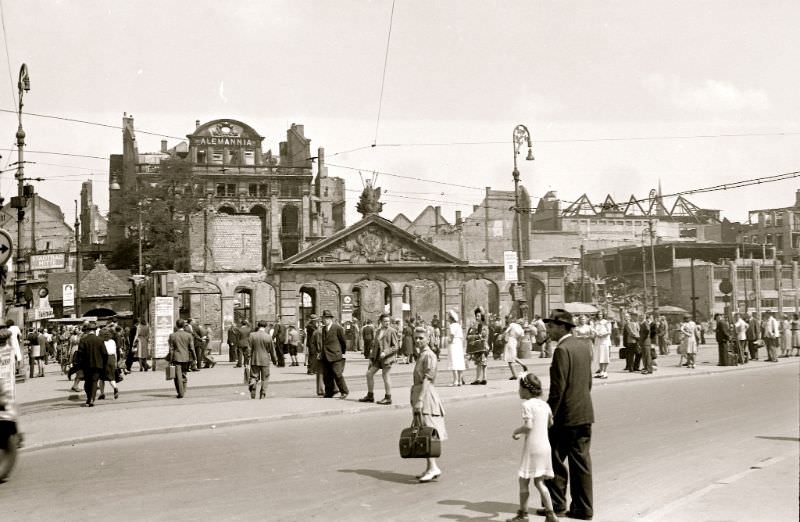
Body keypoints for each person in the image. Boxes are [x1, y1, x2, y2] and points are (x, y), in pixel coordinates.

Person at [540, 309, 593, 520]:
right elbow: (588, 382)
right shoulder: (582, 346)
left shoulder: (561, 350)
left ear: (563, 327)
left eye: (551, 326)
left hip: (565, 416)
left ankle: (556, 504)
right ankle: (584, 508)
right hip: (584, 412)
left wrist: (548, 414)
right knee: (581, 463)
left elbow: (557, 389)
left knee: (553, 459)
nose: (549, 330)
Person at [509, 373, 558, 522]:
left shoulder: (527, 405)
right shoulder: (545, 404)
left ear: (526, 390)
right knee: (539, 481)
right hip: (545, 446)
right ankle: (551, 514)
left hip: (533, 448)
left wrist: (516, 431)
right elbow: (551, 423)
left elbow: (528, 425)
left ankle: (523, 514)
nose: (518, 391)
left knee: (523, 480)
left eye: (520, 387)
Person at [409, 326, 447, 483]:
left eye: (421, 338)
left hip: (426, 396)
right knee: (423, 431)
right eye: (416, 338)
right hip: (420, 394)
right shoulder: (422, 354)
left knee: (427, 432)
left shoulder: (429, 355)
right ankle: (430, 467)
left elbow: (427, 378)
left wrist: (420, 399)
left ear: (428, 338)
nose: (418, 341)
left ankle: (433, 467)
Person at [359, 313, 399, 405]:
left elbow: (396, 346)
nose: (387, 323)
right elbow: (375, 345)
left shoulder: (392, 331)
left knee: (385, 376)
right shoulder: (378, 331)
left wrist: (385, 352)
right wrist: (371, 358)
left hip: (387, 358)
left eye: (388, 321)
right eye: (385, 321)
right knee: (369, 374)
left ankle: (388, 397)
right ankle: (370, 395)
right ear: (380, 322)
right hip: (377, 357)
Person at [318, 310, 348, 399]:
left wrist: (341, 352)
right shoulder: (323, 329)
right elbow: (324, 342)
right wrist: (321, 353)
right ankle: (329, 392)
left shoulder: (337, 328)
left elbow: (343, 342)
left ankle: (344, 392)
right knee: (327, 375)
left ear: (330, 319)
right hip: (325, 355)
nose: (324, 320)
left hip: (336, 355)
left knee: (337, 374)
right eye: (323, 318)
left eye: (326, 318)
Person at [76, 322, 107, 407]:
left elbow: (80, 354)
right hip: (97, 365)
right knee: (94, 381)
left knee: (87, 382)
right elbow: (105, 353)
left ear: (87, 330)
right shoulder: (100, 340)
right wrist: (104, 364)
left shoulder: (83, 340)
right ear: (95, 330)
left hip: (86, 365)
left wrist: (79, 366)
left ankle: (88, 398)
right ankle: (92, 399)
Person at [248, 320, 277, 399]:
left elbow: (249, 348)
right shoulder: (268, 336)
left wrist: (247, 359)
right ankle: (262, 394)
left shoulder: (252, 335)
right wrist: (275, 360)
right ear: (266, 326)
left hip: (254, 359)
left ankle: (253, 385)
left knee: (254, 376)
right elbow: (272, 350)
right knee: (265, 377)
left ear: (258, 325)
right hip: (265, 360)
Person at [166, 319, 195, 399]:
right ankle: (183, 389)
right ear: (183, 326)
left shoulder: (172, 335)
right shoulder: (189, 335)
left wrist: (170, 359)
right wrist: (194, 358)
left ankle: (180, 392)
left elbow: (171, 349)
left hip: (176, 357)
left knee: (177, 376)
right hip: (186, 358)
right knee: (184, 374)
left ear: (176, 325)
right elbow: (192, 348)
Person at [466, 307, 490, 385]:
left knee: (481, 363)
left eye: (478, 316)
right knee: (482, 363)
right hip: (481, 346)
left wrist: (472, 336)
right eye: (476, 316)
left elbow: (481, 335)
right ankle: (483, 379)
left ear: (482, 316)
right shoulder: (479, 325)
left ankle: (479, 379)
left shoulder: (482, 325)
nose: (477, 317)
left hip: (482, 346)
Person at [97, 328, 120, 401]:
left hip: (105, 359)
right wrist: (116, 362)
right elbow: (115, 352)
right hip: (112, 358)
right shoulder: (113, 341)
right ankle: (114, 388)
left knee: (101, 378)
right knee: (111, 376)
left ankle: (103, 393)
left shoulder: (101, 342)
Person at [446, 310, 466, 386]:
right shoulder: (459, 326)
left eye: (448, 318)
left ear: (451, 318)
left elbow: (452, 335)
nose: (448, 319)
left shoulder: (452, 326)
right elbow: (461, 337)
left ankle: (455, 381)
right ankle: (460, 381)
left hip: (453, 344)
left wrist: (449, 341)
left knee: (453, 362)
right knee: (459, 361)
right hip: (459, 344)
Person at [591, 312, 611, 379]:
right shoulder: (595, 323)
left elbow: (609, 332)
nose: (600, 316)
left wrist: (602, 335)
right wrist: (596, 334)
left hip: (604, 341)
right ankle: (601, 371)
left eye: (601, 314)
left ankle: (605, 372)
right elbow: (594, 332)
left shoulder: (606, 322)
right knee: (599, 357)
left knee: (605, 357)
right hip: (598, 341)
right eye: (598, 314)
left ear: (603, 315)